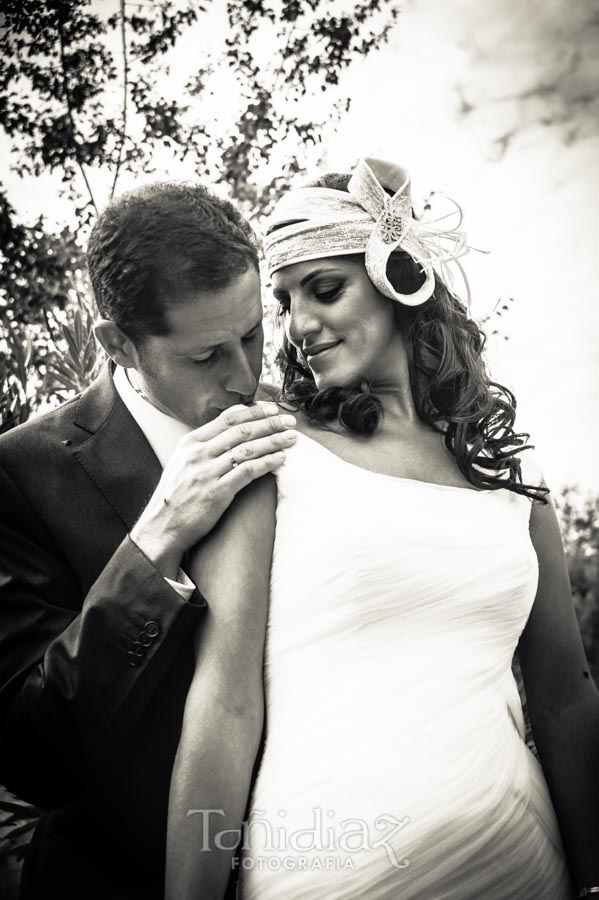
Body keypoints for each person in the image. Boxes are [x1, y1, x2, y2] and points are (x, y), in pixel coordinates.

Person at [166, 159, 599, 900]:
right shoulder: (271, 453)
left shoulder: (516, 504)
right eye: (285, 302)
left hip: (522, 868)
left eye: (325, 289)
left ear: (397, 276)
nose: (299, 326)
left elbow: (564, 701)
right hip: (323, 870)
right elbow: (226, 703)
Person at [0, 181, 299, 900]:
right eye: (205, 358)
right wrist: (156, 538)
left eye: (253, 335)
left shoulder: (304, 432)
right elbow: (33, 751)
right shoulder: (20, 475)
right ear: (118, 343)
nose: (245, 376)